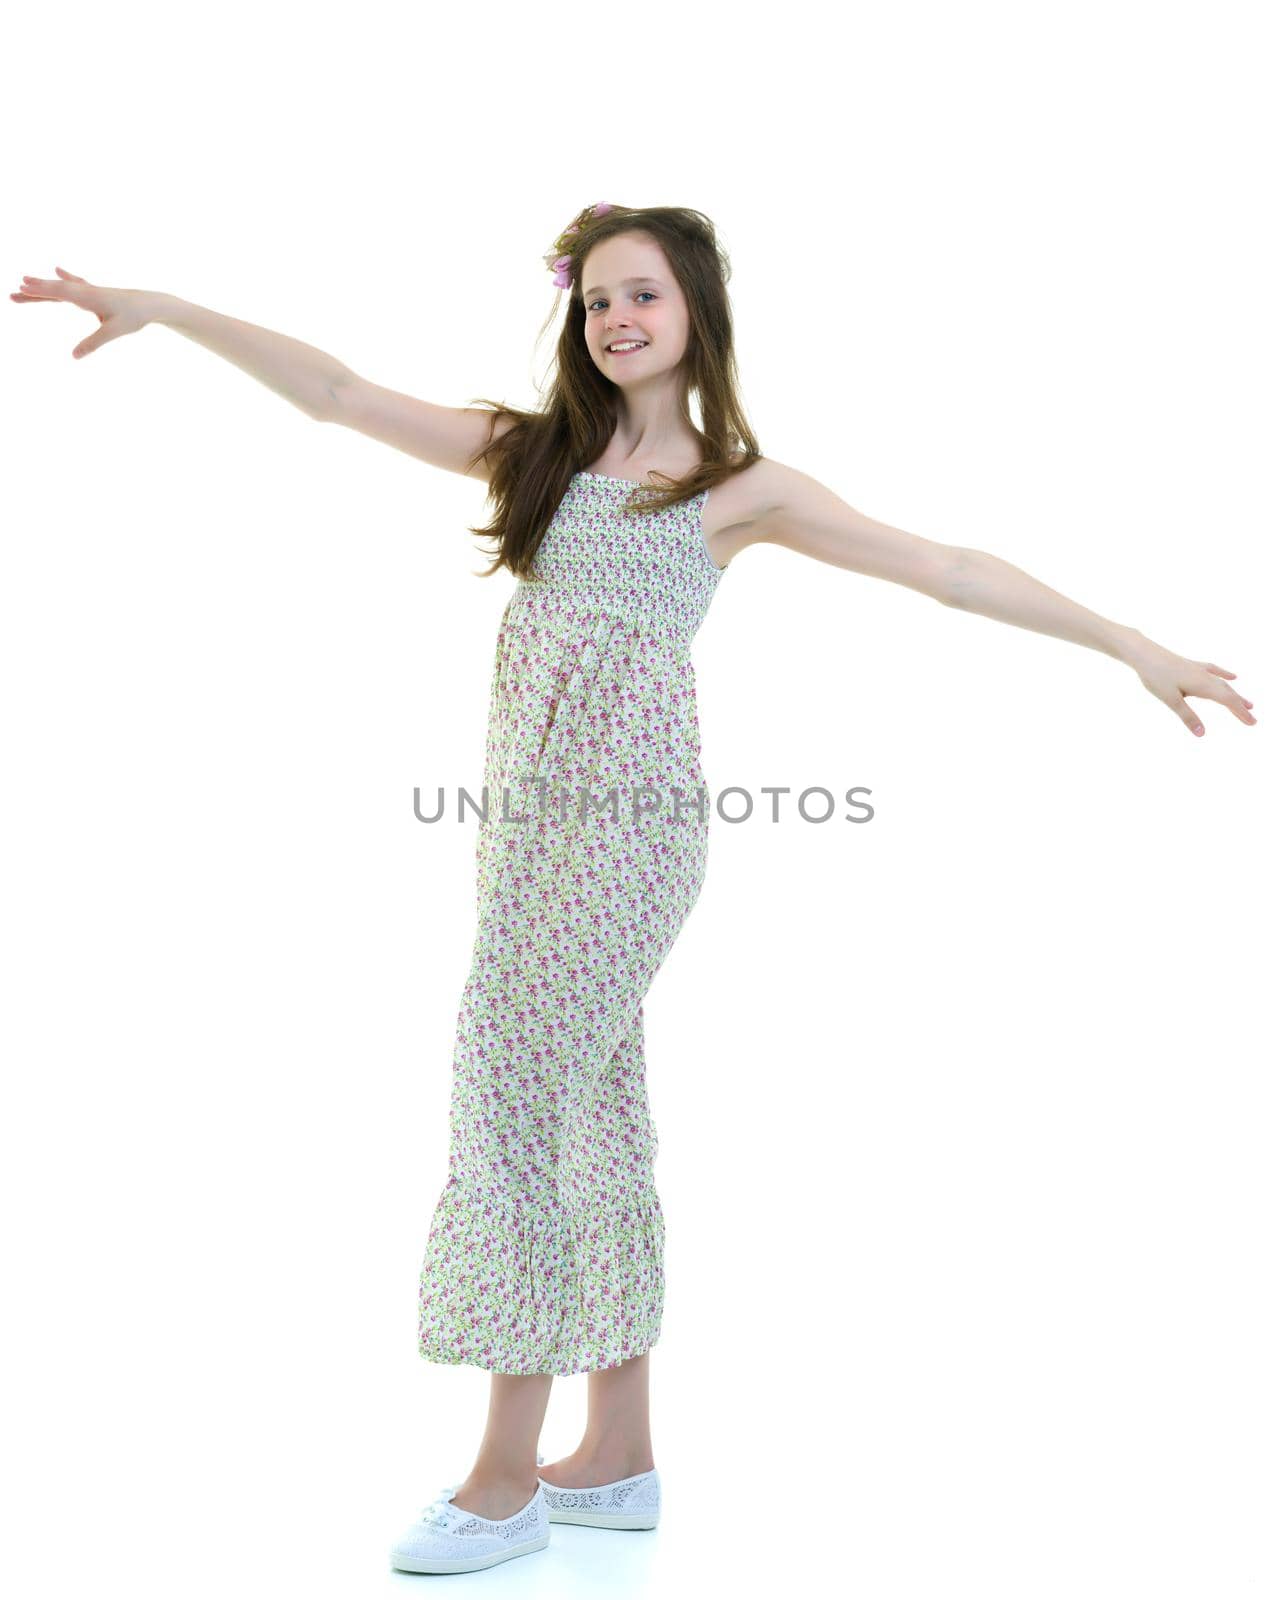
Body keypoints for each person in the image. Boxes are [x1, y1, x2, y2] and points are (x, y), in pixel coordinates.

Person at [12, 202, 1257, 1577]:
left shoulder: (740, 492)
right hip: (526, 843)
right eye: (598, 298)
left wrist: (1129, 641)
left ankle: (501, 1478)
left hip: (627, 837)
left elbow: (944, 569)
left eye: (644, 295)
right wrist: (165, 307)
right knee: (589, 1103)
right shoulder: (535, 455)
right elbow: (337, 392)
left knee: (511, 1098)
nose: (616, 317)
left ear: (696, 316)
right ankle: (614, 1459)